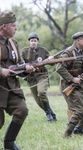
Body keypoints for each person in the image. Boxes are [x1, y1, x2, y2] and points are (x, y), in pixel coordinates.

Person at [0, 11, 34, 150]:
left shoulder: (14, 43)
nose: (16, 28)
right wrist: (1, 71)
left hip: (12, 86)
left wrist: (26, 69)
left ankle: (9, 143)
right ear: (3, 26)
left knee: (22, 110)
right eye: (13, 25)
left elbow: (19, 63)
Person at [56, 31, 83, 137]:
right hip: (69, 85)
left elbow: (82, 69)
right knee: (79, 110)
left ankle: (79, 128)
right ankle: (67, 134)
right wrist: (72, 79)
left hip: (81, 84)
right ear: (77, 41)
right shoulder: (68, 52)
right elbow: (59, 68)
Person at [21, 33, 57, 121]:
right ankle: (51, 113)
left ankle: (48, 114)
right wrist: (28, 67)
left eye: (35, 41)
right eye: (32, 41)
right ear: (29, 42)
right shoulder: (24, 51)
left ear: (37, 42)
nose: (33, 42)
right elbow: (21, 63)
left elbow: (52, 63)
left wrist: (51, 59)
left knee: (41, 92)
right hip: (31, 78)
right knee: (38, 100)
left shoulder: (43, 50)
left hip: (42, 75)